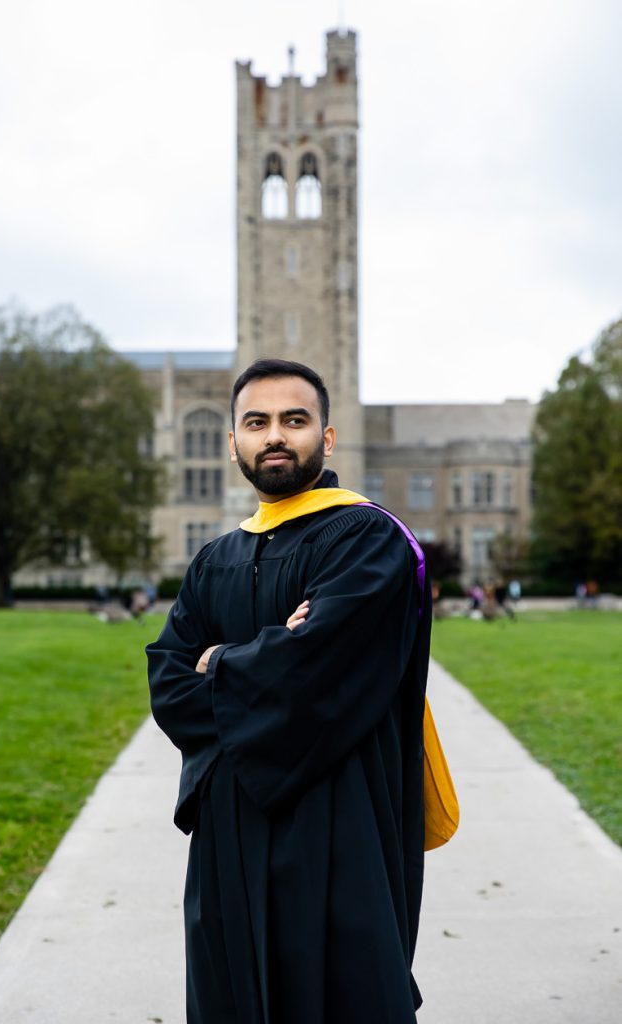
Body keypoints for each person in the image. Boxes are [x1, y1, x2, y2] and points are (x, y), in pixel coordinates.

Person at [146, 359, 432, 1024]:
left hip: (339, 820)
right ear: (234, 443)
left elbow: (317, 671)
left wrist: (216, 660)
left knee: (342, 993)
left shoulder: (366, 539)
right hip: (228, 827)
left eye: (293, 420)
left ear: (326, 438)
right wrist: (263, 657)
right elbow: (167, 681)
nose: (274, 435)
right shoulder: (214, 559)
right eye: (257, 422)